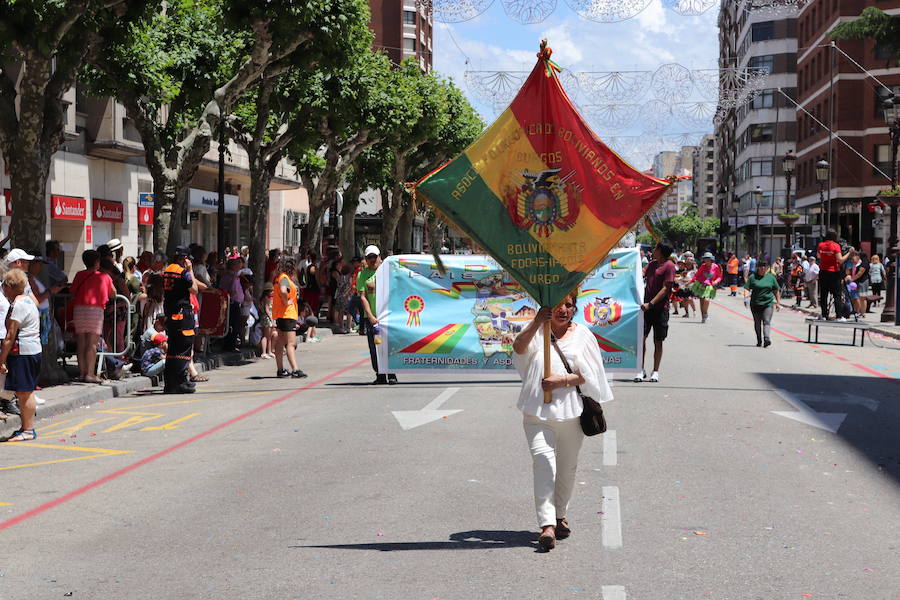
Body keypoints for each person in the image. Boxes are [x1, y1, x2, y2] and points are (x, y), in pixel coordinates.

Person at [512, 291, 613, 551]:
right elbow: (519, 347)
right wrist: (537, 322)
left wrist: (562, 381)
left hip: (571, 413)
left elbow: (592, 374)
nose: (563, 310)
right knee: (544, 463)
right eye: (558, 305)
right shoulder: (537, 329)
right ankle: (546, 525)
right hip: (537, 412)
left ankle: (560, 516)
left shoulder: (583, 335)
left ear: (574, 308)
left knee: (567, 468)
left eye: (568, 305)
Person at [0, 269, 43, 441]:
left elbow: (10, 336)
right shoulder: (28, 301)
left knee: (24, 392)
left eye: (3, 285)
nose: (2, 288)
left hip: (23, 353)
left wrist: (1, 359)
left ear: (10, 286)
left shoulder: (18, 305)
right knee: (26, 391)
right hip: (32, 350)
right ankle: (26, 428)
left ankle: (27, 429)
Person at [70, 250, 116, 383]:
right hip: (95, 310)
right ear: (97, 262)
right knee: (92, 344)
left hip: (79, 309)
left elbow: (72, 290)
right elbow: (113, 293)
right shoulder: (104, 276)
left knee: (81, 342)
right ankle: (90, 374)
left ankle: (82, 372)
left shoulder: (79, 275)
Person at [637, 242, 676, 383]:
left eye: (656, 248)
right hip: (645, 309)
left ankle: (655, 371)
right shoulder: (652, 263)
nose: (653, 250)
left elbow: (666, 288)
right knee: (641, 339)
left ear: (661, 251)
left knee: (658, 341)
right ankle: (640, 370)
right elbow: (641, 273)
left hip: (660, 309)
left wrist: (651, 303)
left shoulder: (669, 266)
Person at [162, 246, 198, 394]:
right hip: (182, 315)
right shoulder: (183, 273)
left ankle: (170, 383)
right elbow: (194, 289)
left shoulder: (167, 270)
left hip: (171, 315)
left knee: (172, 349)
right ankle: (180, 382)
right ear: (184, 258)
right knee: (184, 348)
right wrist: (190, 270)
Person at [358, 245, 396, 385]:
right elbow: (363, 297)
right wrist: (370, 315)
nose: (373, 260)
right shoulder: (362, 275)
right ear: (366, 260)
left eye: (375, 256)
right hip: (372, 319)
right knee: (375, 347)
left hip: (388, 317)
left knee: (390, 346)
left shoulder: (388, 272)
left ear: (380, 257)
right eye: (369, 257)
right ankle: (380, 374)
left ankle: (391, 374)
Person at [271, 256, 306, 378]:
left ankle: (280, 369)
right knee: (291, 343)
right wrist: (287, 302)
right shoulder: (284, 278)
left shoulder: (279, 277)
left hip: (280, 314)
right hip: (287, 314)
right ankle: (295, 369)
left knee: (280, 342)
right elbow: (283, 291)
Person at [744, 260, 781, 347]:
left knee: (767, 321)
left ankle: (766, 338)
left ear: (767, 268)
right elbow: (747, 288)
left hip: (768, 303)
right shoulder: (753, 277)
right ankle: (759, 340)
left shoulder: (771, 278)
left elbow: (776, 291)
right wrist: (746, 298)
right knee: (757, 322)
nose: (763, 268)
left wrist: (778, 303)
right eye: (761, 266)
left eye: (765, 266)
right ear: (758, 267)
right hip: (755, 304)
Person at [817, 230, 850, 321]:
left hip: (823, 271)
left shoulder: (821, 245)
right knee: (837, 295)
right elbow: (840, 260)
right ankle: (839, 316)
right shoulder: (836, 246)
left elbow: (818, 256)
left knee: (823, 295)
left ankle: (824, 315)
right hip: (834, 272)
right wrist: (849, 253)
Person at [691, 252, 722, 323]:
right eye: (705, 259)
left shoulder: (716, 267)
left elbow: (719, 277)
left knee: (706, 300)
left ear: (711, 260)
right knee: (702, 301)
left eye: (708, 260)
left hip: (710, 286)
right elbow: (697, 275)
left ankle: (705, 314)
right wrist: (692, 281)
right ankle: (703, 316)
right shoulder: (703, 266)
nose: (706, 261)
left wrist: (716, 281)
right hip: (701, 285)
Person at [845, 250, 869, 317]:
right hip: (855, 283)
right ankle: (856, 311)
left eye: (853, 258)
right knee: (855, 297)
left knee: (862, 297)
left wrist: (851, 279)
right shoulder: (854, 264)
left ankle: (863, 313)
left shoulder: (864, 263)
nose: (852, 260)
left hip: (862, 282)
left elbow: (859, 274)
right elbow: (848, 272)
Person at [258, 282, 275, 359]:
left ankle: (269, 351)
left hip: (267, 317)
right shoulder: (266, 299)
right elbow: (267, 310)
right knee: (266, 335)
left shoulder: (265, 298)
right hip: (267, 318)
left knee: (269, 336)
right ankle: (264, 352)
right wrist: (272, 320)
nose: (273, 292)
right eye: (271, 291)